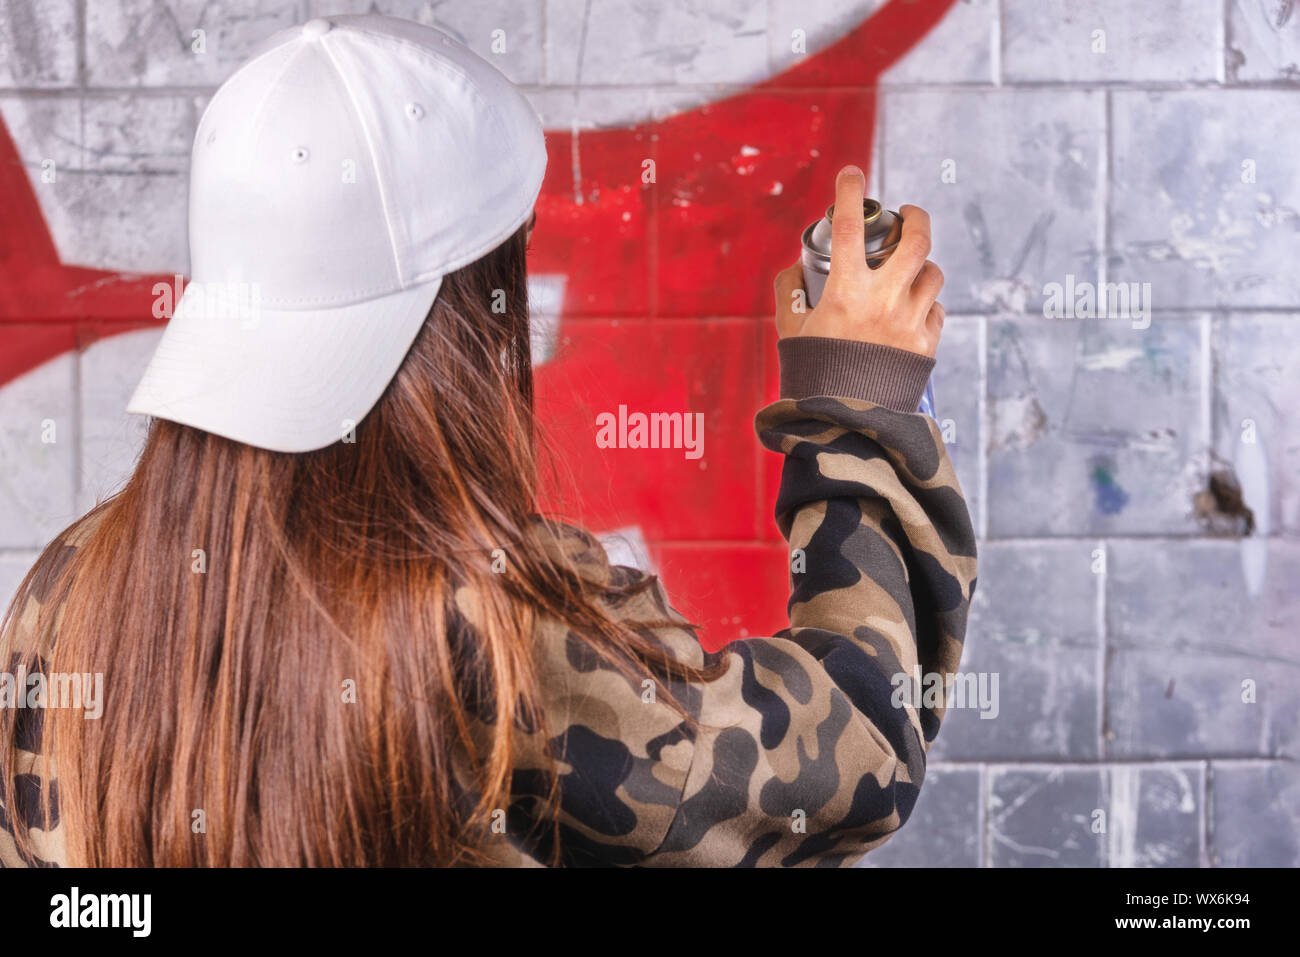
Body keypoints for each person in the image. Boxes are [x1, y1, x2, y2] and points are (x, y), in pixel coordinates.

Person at [0, 14, 974, 867]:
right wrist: (856, 406)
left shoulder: (69, 594)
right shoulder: (501, 632)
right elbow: (858, 761)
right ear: (474, 314)